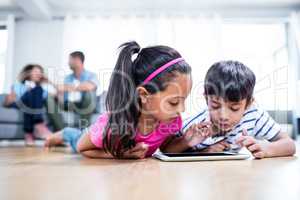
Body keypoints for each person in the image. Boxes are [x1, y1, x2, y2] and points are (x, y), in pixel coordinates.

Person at [45, 41, 193, 159]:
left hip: (99, 136)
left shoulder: (172, 120)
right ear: (144, 94)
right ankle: (63, 133)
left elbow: (165, 146)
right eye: (173, 102)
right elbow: (82, 148)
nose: (182, 110)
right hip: (90, 138)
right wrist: (119, 155)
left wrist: (187, 141)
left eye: (184, 100)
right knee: (75, 136)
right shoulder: (112, 125)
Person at [163, 60, 296, 159]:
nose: (223, 116)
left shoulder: (254, 115)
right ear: (206, 99)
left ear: (249, 103)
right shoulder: (196, 124)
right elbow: (165, 150)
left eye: (234, 108)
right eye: (215, 105)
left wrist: (266, 148)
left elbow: (289, 145)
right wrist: (195, 148)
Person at [46, 51, 100, 131]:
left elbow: (90, 86)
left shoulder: (91, 75)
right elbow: (61, 91)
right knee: (49, 97)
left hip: (84, 104)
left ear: (77, 60)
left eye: (70, 60)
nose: (68, 63)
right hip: (69, 104)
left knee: (90, 93)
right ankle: (63, 132)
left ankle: (83, 131)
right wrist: (57, 93)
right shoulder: (68, 78)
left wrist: (67, 87)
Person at [3, 64, 52, 146]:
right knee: (30, 95)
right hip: (19, 103)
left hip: (28, 106)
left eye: (40, 72)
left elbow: (55, 98)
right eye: (36, 71)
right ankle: (38, 124)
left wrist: (49, 82)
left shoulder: (41, 89)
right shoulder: (18, 86)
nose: (38, 74)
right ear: (28, 73)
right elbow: (6, 103)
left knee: (36, 90)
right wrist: (25, 91)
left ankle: (28, 133)